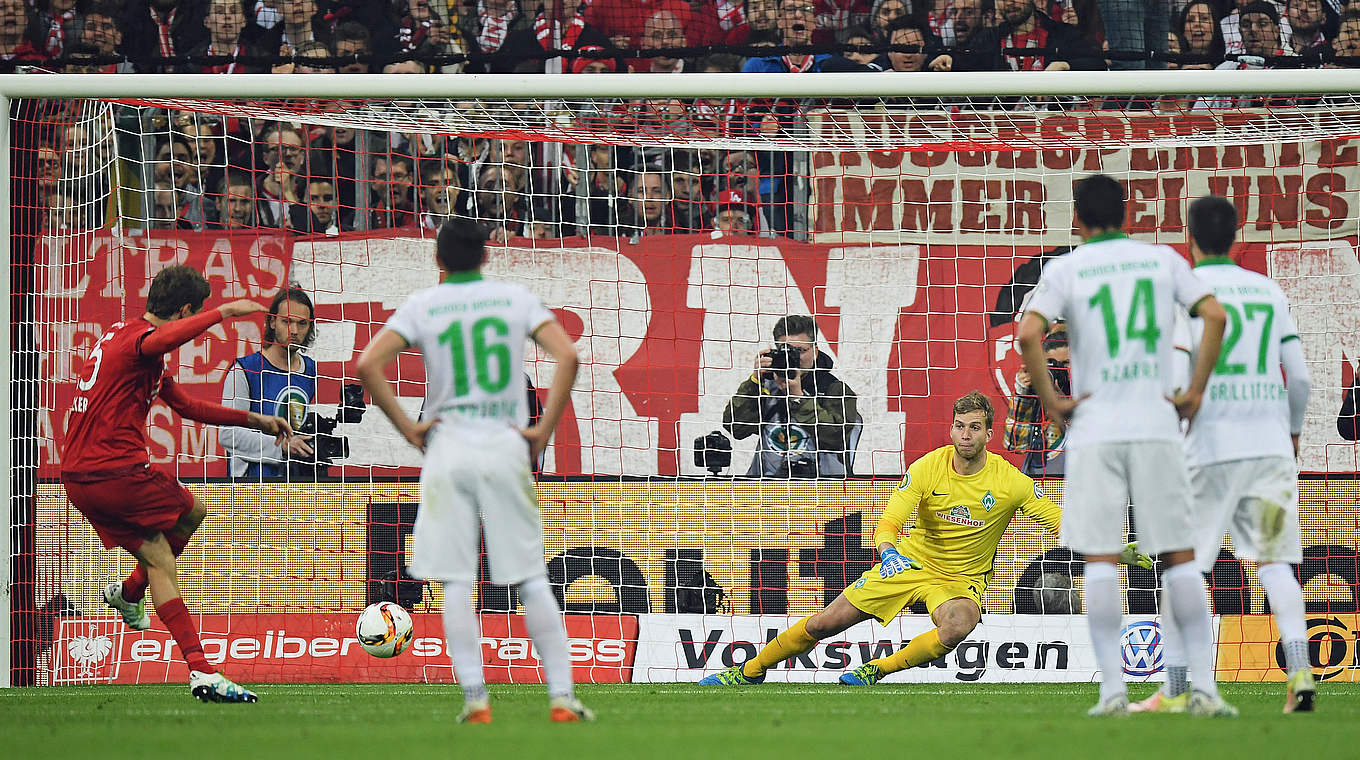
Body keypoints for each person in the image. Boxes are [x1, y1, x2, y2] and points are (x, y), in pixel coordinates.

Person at [699, 391, 1153, 687]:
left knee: (958, 625)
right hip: (909, 562)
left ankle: (875, 670)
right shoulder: (927, 466)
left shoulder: (1010, 481)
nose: (966, 435)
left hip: (959, 580)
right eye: (960, 426)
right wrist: (887, 549)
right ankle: (750, 670)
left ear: (989, 434)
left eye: (975, 427)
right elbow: (889, 520)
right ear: (951, 428)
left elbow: (1060, 522)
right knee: (822, 625)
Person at [355, 218, 592, 724]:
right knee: (530, 576)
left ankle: (476, 701)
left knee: (457, 579)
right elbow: (568, 355)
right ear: (487, 256)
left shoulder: (424, 305)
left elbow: (367, 365)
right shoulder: (514, 299)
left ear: (438, 261)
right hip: (505, 444)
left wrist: (409, 430)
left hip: (448, 449)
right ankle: (562, 699)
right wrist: (542, 429)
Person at [1017, 174, 1233, 717]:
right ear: (1127, 213)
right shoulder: (1163, 261)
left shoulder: (1066, 267)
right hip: (1157, 423)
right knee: (1180, 560)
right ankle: (1203, 690)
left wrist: (1051, 400)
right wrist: (1196, 391)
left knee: (1101, 562)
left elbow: (1026, 334)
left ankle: (1112, 692)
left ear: (1077, 221)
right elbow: (1214, 316)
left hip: (1094, 428)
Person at [60, 264, 291, 703]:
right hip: (114, 471)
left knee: (183, 523)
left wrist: (257, 420)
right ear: (186, 310)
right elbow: (164, 339)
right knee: (166, 554)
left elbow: (184, 405)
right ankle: (201, 671)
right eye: (196, 312)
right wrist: (225, 311)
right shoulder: (144, 342)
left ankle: (129, 593)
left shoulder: (123, 338)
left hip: (81, 477)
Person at [1128, 195, 1315, 715]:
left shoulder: (1184, 294)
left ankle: (1177, 688)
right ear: (1237, 236)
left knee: (1182, 570)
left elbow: (1175, 377)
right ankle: (1299, 671)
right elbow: (1299, 377)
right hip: (1270, 448)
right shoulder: (1269, 292)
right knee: (1277, 566)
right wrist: (1293, 434)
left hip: (1206, 451)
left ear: (1188, 236)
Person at [723, 315, 859, 478]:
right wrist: (754, 382)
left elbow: (837, 437)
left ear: (815, 351)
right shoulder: (765, 387)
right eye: (786, 350)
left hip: (825, 489)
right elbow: (736, 428)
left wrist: (798, 397)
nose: (794, 358)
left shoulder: (834, 389)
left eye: (800, 350)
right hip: (770, 487)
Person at [220, 287, 318, 478]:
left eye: (302, 324)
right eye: (286, 321)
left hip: (297, 487)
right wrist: (282, 446)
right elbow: (228, 435)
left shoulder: (310, 370)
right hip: (251, 490)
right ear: (272, 322)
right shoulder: (244, 370)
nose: (294, 331)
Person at [1003, 322, 1069, 476]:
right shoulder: (1037, 396)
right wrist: (1023, 393)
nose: (1060, 369)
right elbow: (1014, 445)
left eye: (1066, 363)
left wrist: (1063, 398)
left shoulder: (1093, 389)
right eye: (1052, 364)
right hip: (1049, 486)